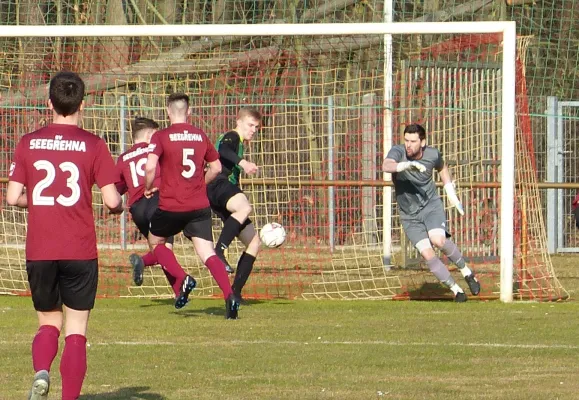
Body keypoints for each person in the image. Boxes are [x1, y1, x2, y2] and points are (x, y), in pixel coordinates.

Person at [6, 71, 123, 400]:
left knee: (47, 323)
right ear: (82, 104)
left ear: (49, 103)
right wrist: (118, 206)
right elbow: (112, 200)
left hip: (40, 250)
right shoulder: (94, 145)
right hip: (79, 249)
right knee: (76, 330)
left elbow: (13, 197)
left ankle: (41, 371)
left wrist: (42, 200)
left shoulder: (28, 142)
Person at [144, 92, 240, 318]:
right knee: (207, 252)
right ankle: (230, 296)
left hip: (171, 205)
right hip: (199, 206)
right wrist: (199, 184)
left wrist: (148, 187)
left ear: (168, 111)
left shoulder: (161, 136)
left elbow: (150, 168)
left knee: (156, 242)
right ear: (189, 111)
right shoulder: (200, 135)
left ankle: (183, 278)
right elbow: (216, 168)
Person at [382, 123, 480, 302]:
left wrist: (451, 193)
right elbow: (386, 165)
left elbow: (442, 168)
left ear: (423, 142)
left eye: (413, 141)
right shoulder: (398, 152)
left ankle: (467, 272)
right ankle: (456, 290)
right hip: (409, 215)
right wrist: (404, 166)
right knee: (428, 254)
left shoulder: (432, 154)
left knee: (438, 240)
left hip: (430, 206)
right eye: (406, 140)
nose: (408, 145)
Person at [114, 117, 176, 291]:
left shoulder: (123, 158)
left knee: (163, 251)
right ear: (150, 135)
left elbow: (117, 188)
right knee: (164, 249)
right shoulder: (157, 150)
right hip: (158, 201)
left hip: (137, 209)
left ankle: (179, 294)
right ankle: (181, 285)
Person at [207, 107, 262, 300]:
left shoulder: (239, 141)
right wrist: (243, 163)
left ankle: (235, 293)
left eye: (256, 127)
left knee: (254, 242)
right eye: (250, 125)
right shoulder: (232, 136)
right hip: (218, 185)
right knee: (245, 207)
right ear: (238, 122)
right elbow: (222, 150)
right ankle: (219, 250)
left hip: (221, 190)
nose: (253, 130)